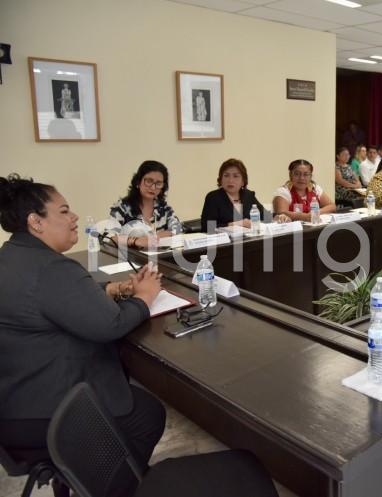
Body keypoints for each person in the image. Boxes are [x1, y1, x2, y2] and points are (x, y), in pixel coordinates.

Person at [0, 174, 165, 497]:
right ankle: (111, 485)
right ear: (36, 221)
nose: (74, 217)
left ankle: (86, 477)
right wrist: (144, 297)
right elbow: (110, 326)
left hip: (13, 404)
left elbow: (53, 302)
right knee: (147, 415)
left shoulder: (12, 258)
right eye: (63, 211)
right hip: (49, 413)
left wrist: (112, 289)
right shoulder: (53, 268)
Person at [200, 158, 288, 233]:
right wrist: (237, 224)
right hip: (223, 245)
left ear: (243, 181)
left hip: (248, 242)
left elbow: (265, 215)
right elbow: (207, 226)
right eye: (226, 176)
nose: (230, 180)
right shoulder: (213, 197)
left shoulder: (248, 195)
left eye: (236, 176)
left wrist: (278, 217)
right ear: (220, 179)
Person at [110, 160, 180, 250]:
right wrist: (136, 241)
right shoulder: (122, 207)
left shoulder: (164, 208)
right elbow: (109, 237)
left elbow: (177, 228)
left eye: (158, 183)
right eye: (149, 181)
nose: (153, 187)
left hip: (160, 257)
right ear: (138, 182)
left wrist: (157, 236)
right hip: (131, 259)